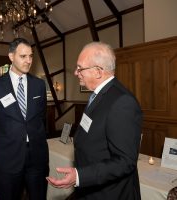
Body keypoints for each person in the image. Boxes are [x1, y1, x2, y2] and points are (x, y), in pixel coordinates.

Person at [46, 41, 142, 200]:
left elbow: (125, 162)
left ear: (98, 72)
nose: (76, 73)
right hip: (93, 188)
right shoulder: (98, 95)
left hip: (110, 193)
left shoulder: (122, 102)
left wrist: (79, 176)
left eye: (80, 68)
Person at [0, 38, 49, 200]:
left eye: (31, 56)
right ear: (11, 56)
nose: (28, 61)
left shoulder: (39, 85)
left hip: (37, 157)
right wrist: (6, 137)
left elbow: (42, 117)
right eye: (23, 56)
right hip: (7, 158)